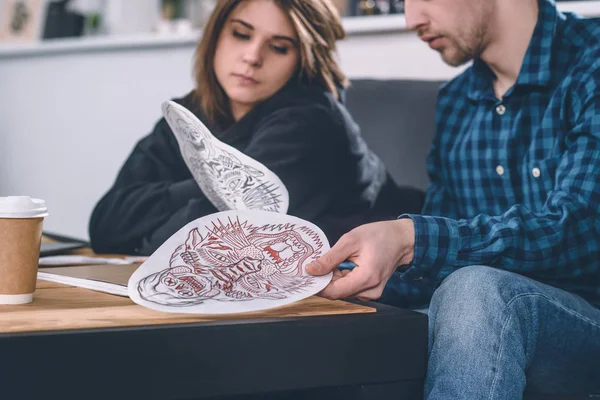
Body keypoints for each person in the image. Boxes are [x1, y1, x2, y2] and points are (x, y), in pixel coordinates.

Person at [307, 0, 600, 397]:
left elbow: (581, 231)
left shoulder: (591, 63)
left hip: (585, 323)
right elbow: (436, 271)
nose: (411, 19)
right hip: (480, 324)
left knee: (475, 289)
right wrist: (333, 277)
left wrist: (411, 239)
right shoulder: (456, 102)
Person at [89, 0, 423, 255]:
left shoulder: (312, 121)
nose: (252, 56)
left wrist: (156, 217)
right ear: (216, 34)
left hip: (384, 296)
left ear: (303, 60)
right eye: (241, 34)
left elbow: (202, 243)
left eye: (279, 47)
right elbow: (105, 222)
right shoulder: (193, 111)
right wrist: (204, 191)